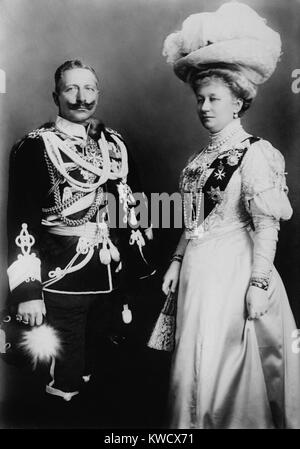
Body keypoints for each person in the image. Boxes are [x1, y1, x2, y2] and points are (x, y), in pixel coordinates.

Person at [161, 2, 300, 429]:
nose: (204, 106)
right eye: (200, 98)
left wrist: (259, 283)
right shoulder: (198, 160)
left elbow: (266, 224)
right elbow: (192, 220)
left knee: (227, 364)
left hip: (235, 271)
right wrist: (177, 260)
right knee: (194, 360)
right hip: (197, 276)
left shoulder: (256, 152)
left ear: (238, 101)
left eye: (214, 98)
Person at [6, 59, 154, 405]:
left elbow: (137, 204)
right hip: (61, 276)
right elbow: (21, 220)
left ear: (98, 94)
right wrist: (28, 290)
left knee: (104, 367)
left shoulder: (115, 145)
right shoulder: (35, 147)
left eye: (89, 88)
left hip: (110, 276)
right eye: (71, 88)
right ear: (55, 95)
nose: (81, 97)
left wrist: (145, 264)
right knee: (66, 375)